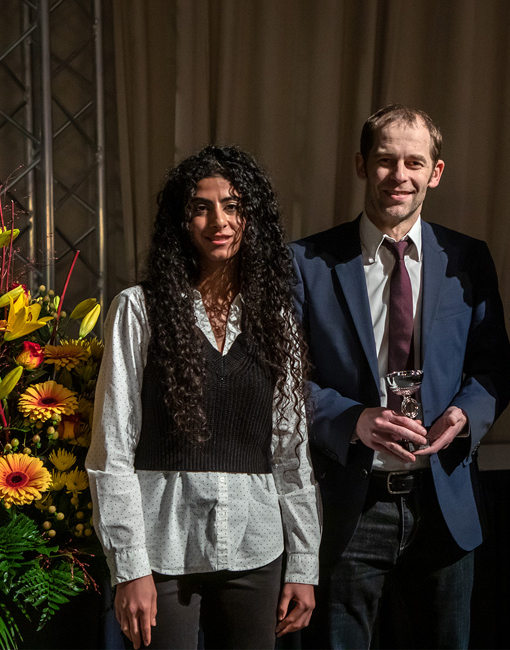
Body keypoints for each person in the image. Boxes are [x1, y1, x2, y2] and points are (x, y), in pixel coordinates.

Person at [290, 104, 510, 649]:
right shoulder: (306, 262)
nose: (400, 175)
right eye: (386, 160)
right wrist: (352, 419)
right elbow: (284, 382)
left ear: (436, 172)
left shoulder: (467, 258)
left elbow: (493, 368)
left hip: (443, 505)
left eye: (415, 162)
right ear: (361, 165)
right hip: (349, 505)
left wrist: (465, 415)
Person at [86, 145, 320, 650]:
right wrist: (130, 568)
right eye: (201, 207)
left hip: (257, 546)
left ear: (251, 218)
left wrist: (304, 563)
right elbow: (112, 451)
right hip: (161, 549)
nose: (219, 221)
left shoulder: (276, 320)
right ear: (181, 220)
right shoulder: (138, 310)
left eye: (233, 206)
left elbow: (291, 454)